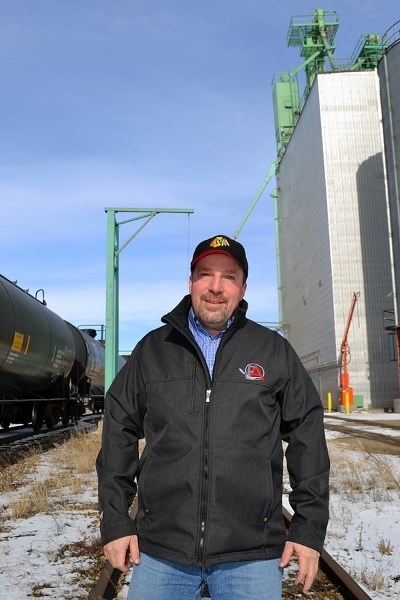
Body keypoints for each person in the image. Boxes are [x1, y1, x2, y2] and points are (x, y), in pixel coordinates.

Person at [96, 234, 330, 600]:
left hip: (251, 554)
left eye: (229, 277)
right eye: (206, 274)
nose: (216, 287)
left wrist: (308, 528)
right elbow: (119, 429)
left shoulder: (273, 351)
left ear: (243, 287)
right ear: (191, 282)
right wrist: (115, 521)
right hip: (161, 551)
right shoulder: (153, 350)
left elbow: (308, 434)